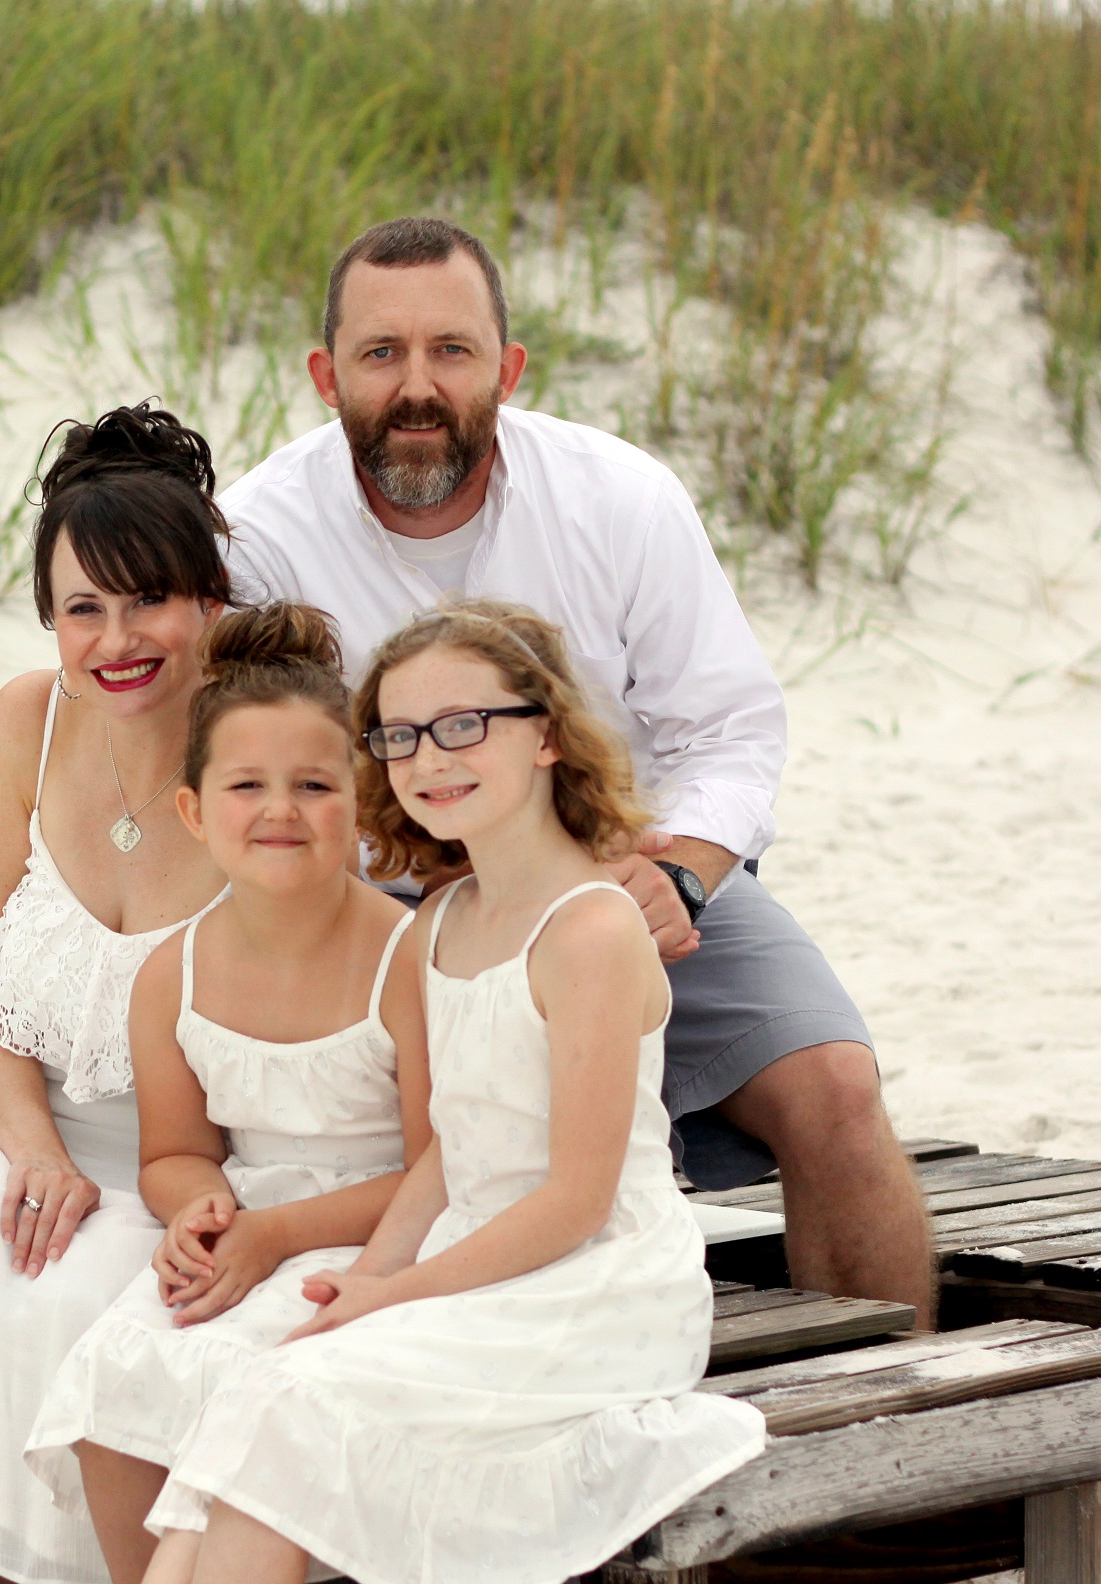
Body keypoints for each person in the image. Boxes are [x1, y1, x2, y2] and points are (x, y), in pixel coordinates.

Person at [216, 216, 933, 1321]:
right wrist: (432, 876)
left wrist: (680, 872)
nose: (417, 386)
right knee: (416, 1143)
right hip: (385, 899)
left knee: (835, 1087)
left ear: (507, 367)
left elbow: (731, 729)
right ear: (325, 376)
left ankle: (901, 1423)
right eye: (380, 353)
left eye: (451, 350)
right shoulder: (261, 537)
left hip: (621, 871)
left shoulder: (619, 497)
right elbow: (252, 770)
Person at [144, 600, 768, 1584]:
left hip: (595, 1286)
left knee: (293, 1403)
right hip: (467, 1257)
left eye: (465, 725)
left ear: (549, 736)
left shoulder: (591, 930)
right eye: (401, 736)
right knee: (252, 1390)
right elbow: (448, 1151)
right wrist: (370, 1278)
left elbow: (577, 1200)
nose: (432, 759)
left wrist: (396, 1295)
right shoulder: (442, 919)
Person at [0, 403, 236, 1584]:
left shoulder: (259, 731)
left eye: (149, 600)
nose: (117, 638)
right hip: (32, 1117)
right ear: (49, 620)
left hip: (201, 1156)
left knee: (85, 1291)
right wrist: (29, 1149)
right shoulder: (27, 718)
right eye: (84, 608)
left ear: (210, 602)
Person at [24, 602, 430, 1584]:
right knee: (123, 1370)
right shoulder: (175, 973)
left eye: (314, 785)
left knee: (264, 1382)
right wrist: (197, 1209)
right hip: (251, 1224)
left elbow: (444, 1172)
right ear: (196, 812)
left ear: (364, 802)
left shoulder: (409, 958)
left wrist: (277, 1235)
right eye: (247, 785)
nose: (279, 809)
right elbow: (174, 1152)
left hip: (383, 1238)